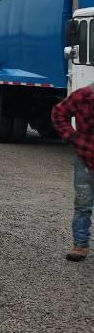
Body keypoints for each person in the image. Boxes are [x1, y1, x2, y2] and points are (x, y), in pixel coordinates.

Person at [51, 82, 94, 261]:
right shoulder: (83, 95)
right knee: (83, 206)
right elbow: (58, 113)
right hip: (85, 157)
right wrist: (72, 136)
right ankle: (80, 246)